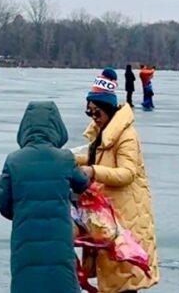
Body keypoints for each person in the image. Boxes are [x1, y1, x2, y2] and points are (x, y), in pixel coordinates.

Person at [74, 68, 159, 292]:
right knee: (113, 278)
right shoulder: (103, 133)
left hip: (127, 217)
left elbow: (126, 173)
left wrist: (93, 171)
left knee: (124, 280)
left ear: (108, 109)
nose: (94, 117)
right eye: (90, 112)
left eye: (97, 112)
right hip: (110, 215)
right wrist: (74, 161)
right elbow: (98, 159)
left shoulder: (126, 135)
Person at [0, 101, 89, 293]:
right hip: (59, 236)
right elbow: (82, 183)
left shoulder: (14, 160)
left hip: (25, 236)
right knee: (61, 281)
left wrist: (22, 213)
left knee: (27, 282)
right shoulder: (64, 158)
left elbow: (3, 203)